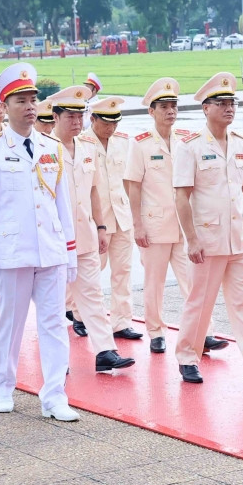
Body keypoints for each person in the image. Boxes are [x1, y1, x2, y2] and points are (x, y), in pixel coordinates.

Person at [0, 63, 79, 418]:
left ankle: (54, 396)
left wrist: (70, 252)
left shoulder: (52, 147)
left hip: (50, 250)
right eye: (21, 101)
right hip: (12, 252)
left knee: (54, 324)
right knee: (10, 324)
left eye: (33, 99)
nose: (30, 106)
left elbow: (63, 204)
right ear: (4, 107)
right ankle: (3, 386)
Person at [172, 72, 243, 387]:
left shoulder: (240, 144)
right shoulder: (190, 147)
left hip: (239, 239)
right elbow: (181, 196)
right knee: (200, 302)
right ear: (206, 108)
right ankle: (187, 358)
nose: (229, 108)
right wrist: (191, 239)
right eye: (221, 103)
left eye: (231, 103)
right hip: (207, 241)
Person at [124, 78, 224, 354]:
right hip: (154, 225)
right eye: (164, 107)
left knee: (192, 282)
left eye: (173, 106)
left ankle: (203, 332)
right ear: (151, 111)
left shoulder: (186, 141)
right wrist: (137, 225)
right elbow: (133, 186)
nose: (170, 111)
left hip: (184, 226)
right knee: (154, 284)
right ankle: (156, 332)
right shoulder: (140, 144)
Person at [50, 85, 136, 372]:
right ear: (55, 117)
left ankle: (105, 351)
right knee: (52, 300)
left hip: (86, 233)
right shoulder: (43, 149)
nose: (77, 122)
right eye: (70, 116)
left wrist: (100, 226)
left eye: (80, 116)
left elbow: (95, 191)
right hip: (55, 237)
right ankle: (55, 358)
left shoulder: (86, 148)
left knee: (93, 295)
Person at [86, 96, 142, 340]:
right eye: (106, 122)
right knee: (92, 271)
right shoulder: (82, 142)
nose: (111, 128)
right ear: (93, 119)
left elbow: (131, 181)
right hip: (95, 218)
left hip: (122, 216)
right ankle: (81, 315)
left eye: (115, 123)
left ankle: (121, 322)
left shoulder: (124, 142)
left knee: (123, 271)